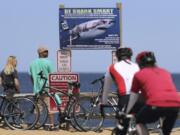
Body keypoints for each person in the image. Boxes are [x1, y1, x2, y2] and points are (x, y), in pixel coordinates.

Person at [126, 51, 180, 135]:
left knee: (137, 121)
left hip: (156, 104)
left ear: (140, 64)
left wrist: (126, 111)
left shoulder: (139, 74)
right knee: (165, 132)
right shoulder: (165, 72)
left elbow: (133, 97)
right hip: (175, 105)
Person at [101, 47, 140, 134]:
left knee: (121, 126)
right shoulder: (138, 66)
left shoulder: (112, 67)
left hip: (125, 98)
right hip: (140, 98)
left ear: (118, 57)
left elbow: (106, 88)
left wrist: (103, 103)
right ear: (130, 57)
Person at [29, 46, 55, 130]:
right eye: (45, 52)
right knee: (49, 107)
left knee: (38, 107)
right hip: (47, 87)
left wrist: (35, 84)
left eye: (47, 51)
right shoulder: (48, 62)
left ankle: (37, 123)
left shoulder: (32, 63)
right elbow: (52, 75)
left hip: (37, 89)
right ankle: (52, 125)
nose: (47, 53)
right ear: (40, 53)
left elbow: (31, 76)